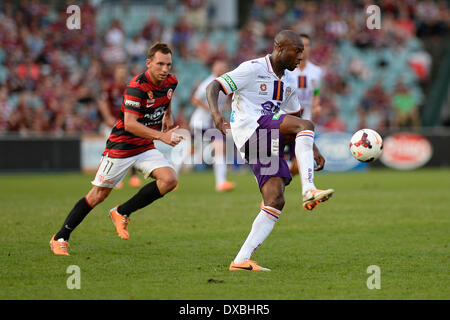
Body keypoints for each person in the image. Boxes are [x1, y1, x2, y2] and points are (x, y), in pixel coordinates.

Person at [206, 30, 334, 271]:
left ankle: (241, 260)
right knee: (306, 126)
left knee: (275, 199)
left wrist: (312, 146)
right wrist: (215, 113)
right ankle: (309, 189)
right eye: (296, 52)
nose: (300, 58)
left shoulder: (288, 82)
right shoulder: (252, 68)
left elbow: (297, 118)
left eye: (302, 53)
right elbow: (215, 86)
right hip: (251, 129)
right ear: (279, 48)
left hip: (262, 140)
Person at [50, 43, 183, 256]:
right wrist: (161, 136)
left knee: (169, 180)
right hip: (121, 146)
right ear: (148, 63)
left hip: (144, 146)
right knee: (98, 195)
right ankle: (60, 237)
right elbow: (130, 124)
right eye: (160, 64)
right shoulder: (136, 86)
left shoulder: (171, 81)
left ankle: (122, 212)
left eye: (168, 64)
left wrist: (168, 115)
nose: (165, 69)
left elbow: (167, 97)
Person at [190, 60, 235, 192]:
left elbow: (226, 99)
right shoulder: (209, 82)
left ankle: (221, 183)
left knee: (220, 148)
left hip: (211, 124)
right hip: (199, 122)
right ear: (214, 69)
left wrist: (222, 109)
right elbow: (195, 99)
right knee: (191, 150)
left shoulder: (224, 83)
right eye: (220, 67)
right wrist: (212, 111)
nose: (223, 69)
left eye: (224, 67)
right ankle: (173, 173)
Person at [98, 63, 142, 188]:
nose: (121, 74)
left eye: (123, 71)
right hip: (113, 124)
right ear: (116, 73)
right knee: (114, 150)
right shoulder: (110, 87)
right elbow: (103, 103)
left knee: (130, 148)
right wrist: (107, 117)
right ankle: (113, 177)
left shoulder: (130, 87)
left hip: (127, 123)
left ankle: (133, 176)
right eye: (119, 71)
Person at [286, 33, 323, 175]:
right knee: (292, 162)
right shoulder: (287, 71)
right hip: (288, 119)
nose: (304, 48)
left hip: (306, 120)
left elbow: (316, 92)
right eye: (301, 45)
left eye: (307, 45)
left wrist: (317, 105)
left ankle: (308, 189)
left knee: (300, 161)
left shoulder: (317, 72)